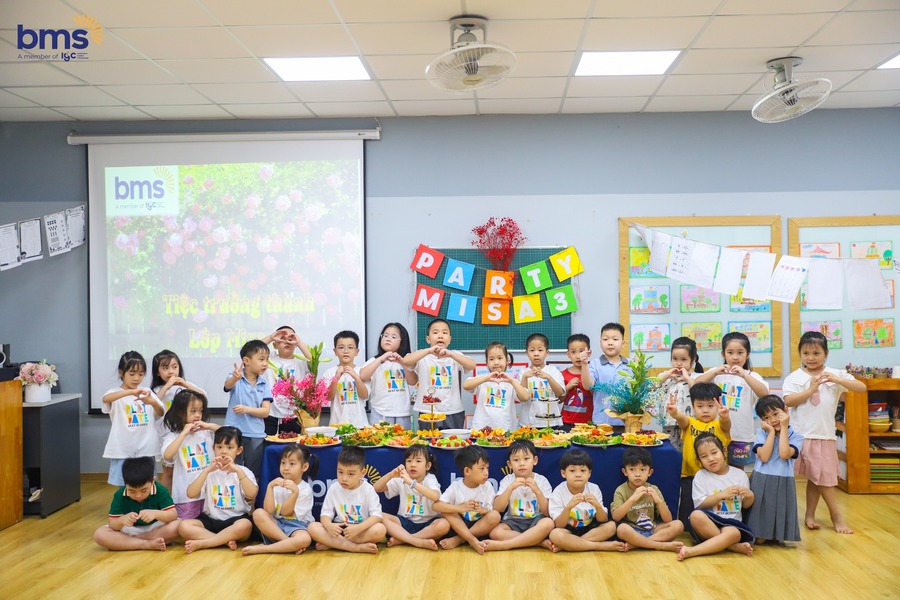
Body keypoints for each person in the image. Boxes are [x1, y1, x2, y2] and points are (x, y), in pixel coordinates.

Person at [783, 331, 865, 534]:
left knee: (819, 478)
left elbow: (861, 388)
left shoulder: (834, 374)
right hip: (801, 435)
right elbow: (789, 401)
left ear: (826, 353)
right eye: (806, 353)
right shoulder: (795, 377)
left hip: (825, 434)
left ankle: (817, 515)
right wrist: (810, 390)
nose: (810, 358)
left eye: (816, 353)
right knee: (820, 477)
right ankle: (831, 515)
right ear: (800, 354)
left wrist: (838, 379)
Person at [695, 332, 769, 470]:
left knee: (737, 470)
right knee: (713, 467)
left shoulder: (751, 375)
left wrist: (745, 375)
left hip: (740, 434)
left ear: (747, 354)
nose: (735, 357)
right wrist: (715, 372)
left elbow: (764, 393)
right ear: (723, 354)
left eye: (740, 353)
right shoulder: (716, 373)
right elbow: (695, 385)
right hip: (716, 432)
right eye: (730, 352)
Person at [178, 426, 258, 553]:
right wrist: (207, 470)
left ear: (239, 450)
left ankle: (204, 543)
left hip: (236, 520)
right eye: (219, 447)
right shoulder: (208, 471)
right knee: (183, 526)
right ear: (213, 448)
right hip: (211, 521)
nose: (224, 452)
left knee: (245, 525)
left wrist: (238, 471)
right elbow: (191, 494)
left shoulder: (243, 471)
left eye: (229, 447)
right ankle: (223, 540)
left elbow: (252, 494)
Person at [678, 433, 755, 561]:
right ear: (699, 460)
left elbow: (745, 505)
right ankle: (732, 546)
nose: (711, 459)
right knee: (695, 515)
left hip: (731, 523)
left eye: (714, 453)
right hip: (709, 523)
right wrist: (721, 495)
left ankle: (692, 551)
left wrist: (750, 496)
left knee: (733, 533)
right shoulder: (701, 476)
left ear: (723, 452)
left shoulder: (739, 475)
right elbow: (700, 504)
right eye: (704, 456)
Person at [666, 382, 731, 529]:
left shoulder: (719, 425)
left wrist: (725, 417)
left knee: (712, 509)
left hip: (715, 477)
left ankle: (713, 529)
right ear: (693, 407)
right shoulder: (690, 423)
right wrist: (675, 412)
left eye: (710, 406)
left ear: (717, 406)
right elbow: (682, 419)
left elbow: (726, 425)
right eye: (700, 406)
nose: (705, 410)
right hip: (691, 475)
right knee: (687, 515)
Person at [746, 395, 803, 544]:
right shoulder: (761, 433)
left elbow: (784, 454)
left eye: (776, 414)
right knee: (759, 536)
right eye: (766, 417)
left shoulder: (796, 436)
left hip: (784, 480)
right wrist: (771, 433)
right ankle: (761, 533)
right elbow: (764, 457)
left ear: (786, 411)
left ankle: (775, 534)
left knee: (779, 509)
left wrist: (784, 427)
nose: (772, 420)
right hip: (761, 478)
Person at [102, 351, 165, 486]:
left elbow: (160, 412)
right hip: (122, 449)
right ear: (121, 373)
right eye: (132, 374)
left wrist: (152, 402)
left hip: (146, 448)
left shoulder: (147, 392)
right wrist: (130, 392)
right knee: (123, 487)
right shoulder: (115, 393)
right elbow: (106, 399)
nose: (136, 378)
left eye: (141, 374)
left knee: (148, 485)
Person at [482, 440, 556, 552]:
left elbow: (547, 512)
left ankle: (506, 545)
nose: (521, 463)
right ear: (509, 464)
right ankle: (538, 542)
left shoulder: (542, 481)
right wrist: (510, 488)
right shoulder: (508, 480)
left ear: (535, 460)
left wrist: (537, 491)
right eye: (516, 460)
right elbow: (497, 508)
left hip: (536, 520)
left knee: (548, 523)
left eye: (526, 459)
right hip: (513, 521)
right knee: (495, 533)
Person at [243, 444, 318, 556]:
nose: (286, 468)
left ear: (304, 467)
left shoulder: (305, 489)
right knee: (258, 513)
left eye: (292, 464)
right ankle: (287, 543)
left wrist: (295, 493)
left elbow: (286, 512)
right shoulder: (277, 485)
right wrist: (270, 487)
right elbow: (268, 511)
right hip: (277, 525)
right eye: (283, 463)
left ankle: (265, 548)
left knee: (304, 539)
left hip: (298, 526)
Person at [308, 446, 385, 553]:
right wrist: (329, 526)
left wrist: (358, 528)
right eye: (340, 472)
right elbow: (325, 515)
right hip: (339, 529)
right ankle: (355, 547)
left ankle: (335, 544)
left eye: (350, 474)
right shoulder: (334, 488)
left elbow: (377, 516)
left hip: (360, 530)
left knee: (380, 530)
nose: (344, 478)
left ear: (362, 473)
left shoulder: (368, 489)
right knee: (312, 527)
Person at [93, 456, 180, 551]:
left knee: (178, 525)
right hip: (129, 530)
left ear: (153, 480)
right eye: (132, 491)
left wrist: (155, 514)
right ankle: (145, 544)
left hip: (156, 528)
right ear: (125, 483)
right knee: (99, 534)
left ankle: (130, 542)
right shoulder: (119, 495)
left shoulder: (161, 490)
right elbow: (112, 524)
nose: (138, 496)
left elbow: (173, 515)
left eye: (144, 490)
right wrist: (122, 520)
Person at [403, 318, 477, 430]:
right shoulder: (423, 356)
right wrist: (429, 350)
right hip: (428, 411)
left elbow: (472, 365)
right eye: (435, 332)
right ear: (428, 339)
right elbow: (406, 361)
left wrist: (451, 354)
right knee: (428, 440)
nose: (440, 336)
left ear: (450, 339)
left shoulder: (454, 356)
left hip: (453, 411)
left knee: (453, 440)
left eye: (445, 333)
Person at [372, 445, 450, 550]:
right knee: (380, 516)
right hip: (405, 523)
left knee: (444, 524)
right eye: (409, 461)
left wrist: (411, 483)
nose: (413, 465)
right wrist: (391, 475)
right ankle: (417, 541)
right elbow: (375, 488)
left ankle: (404, 539)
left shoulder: (429, 479)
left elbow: (435, 496)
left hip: (428, 524)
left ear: (428, 466)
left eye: (418, 461)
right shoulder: (401, 479)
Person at [548, 449, 625, 552]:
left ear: (589, 473)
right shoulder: (558, 491)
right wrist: (568, 507)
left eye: (583, 470)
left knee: (611, 526)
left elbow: (603, 520)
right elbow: (559, 525)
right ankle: (600, 546)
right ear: (563, 473)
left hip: (591, 529)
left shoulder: (594, 488)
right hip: (569, 529)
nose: (578, 474)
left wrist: (597, 506)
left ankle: (572, 544)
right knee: (555, 535)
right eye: (572, 471)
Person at [151, 349, 207, 490]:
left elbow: (203, 397)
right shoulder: (157, 390)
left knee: (188, 468)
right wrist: (167, 386)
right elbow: (153, 406)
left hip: (187, 435)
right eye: (165, 368)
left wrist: (185, 385)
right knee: (168, 472)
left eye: (174, 367)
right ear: (157, 372)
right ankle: (166, 500)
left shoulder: (186, 387)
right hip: (166, 437)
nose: (171, 371)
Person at [161, 389, 220, 520]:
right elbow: (167, 456)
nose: (198, 415)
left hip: (209, 492)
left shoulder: (206, 433)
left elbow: (229, 433)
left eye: (200, 411)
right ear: (180, 413)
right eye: (193, 411)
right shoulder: (174, 436)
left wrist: (209, 426)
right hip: (186, 496)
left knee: (209, 522)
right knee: (185, 525)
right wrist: (183, 433)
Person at [611, 447, 684, 552]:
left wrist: (659, 501)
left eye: (642, 469)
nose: (637, 474)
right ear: (625, 472)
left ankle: (637, 544)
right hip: (632, 531)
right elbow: (616, 517)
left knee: (678, 525)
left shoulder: (653, 489)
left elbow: (668, 519)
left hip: (652, 529)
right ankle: (660, 545)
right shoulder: (621, 490)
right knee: (621, 529)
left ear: (650, 472)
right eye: (632, 469)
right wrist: (632, 499)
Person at [433, 445, 502, 553]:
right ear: (467, 471)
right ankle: (471, 540)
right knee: (446, 510)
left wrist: (484, 510)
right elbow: (436, 506)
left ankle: (460, 539)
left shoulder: (488, 486)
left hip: (479, 527)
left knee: (495, 515)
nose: (486, 472)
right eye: (482, 468)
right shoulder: (456, 486)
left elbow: (491, 510)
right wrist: (459, 508)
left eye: (487, 468)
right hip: (459, 526)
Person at [223, 339, 272, 477]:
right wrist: (235, 378)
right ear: (246, 360)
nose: (265, 363)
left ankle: (252, 493)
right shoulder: (235, 377)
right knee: (231, 471)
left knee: (253, 474)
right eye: (261, 359)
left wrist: (246, 409)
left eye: (267, 359)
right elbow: (227, 385)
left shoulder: (264, 384)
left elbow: (265, 412)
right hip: (234, 432)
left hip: (256, 435)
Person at [359, 322, 417, 428]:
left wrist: (402, 363)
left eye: (393, 337)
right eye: (385, 335)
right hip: (380, 412)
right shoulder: (375, 361)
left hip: (402, 412)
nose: (388, 339)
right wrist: (380, 359)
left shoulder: (406, 361)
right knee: (379, 438)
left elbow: (413, 381)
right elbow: (363, 376)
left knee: (403, 438)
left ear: (402, 342)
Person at [463, 341, 530, 432]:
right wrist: (486, 378)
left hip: (505, 431)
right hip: (481, 430)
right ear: (487, 362)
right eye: (491, 359)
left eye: (500, 358)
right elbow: (466, 385)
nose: (496, 362)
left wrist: (511, 381)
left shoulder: (511, 382)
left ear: (507, 360)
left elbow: (525, 397)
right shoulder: (482, 380)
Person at [262, 326, 312, 436]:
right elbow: (252, 350)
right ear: (274, 344)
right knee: (270, 444)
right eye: (282, 339)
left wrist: (298, 342)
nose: (286, 342)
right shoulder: (269, 358)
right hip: (271, 414)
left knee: (293, 445)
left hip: (294, 415)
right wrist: (271, 337)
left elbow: (314, 361)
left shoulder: (301, 361)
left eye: (290, 339)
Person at [581, 322, 631, 426]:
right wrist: (584, 364)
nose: (610, 343)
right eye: (605, 339)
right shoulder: (595, 364)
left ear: (623, 343)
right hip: (602, 422)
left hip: (627, 422)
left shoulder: (631, 364)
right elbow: (587, 386)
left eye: (615, 339)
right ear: (600, 343)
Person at [659, 337, 703, 451]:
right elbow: (652, 384)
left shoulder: (696, 377)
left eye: (683, 359)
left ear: (693, 359)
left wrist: (687, 378)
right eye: (675, 359)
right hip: (669, 422)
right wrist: (667, 375)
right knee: (670, 452)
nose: (678, 363)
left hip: (689, 422)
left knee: (689, 450)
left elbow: (698, 392)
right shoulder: (667, 376)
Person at [322, 330, 369, 428]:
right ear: (335, 351)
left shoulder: (362, 371)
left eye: (350, 347)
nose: (346, 351)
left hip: (359, 425)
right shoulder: (330, 372)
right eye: (341, 347)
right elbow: (328, 397)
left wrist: (356, 377)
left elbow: (364, 396)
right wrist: (336, 378)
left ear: (357, 352)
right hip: (337, 425)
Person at [520, 333, 565, 428]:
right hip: (528, 423)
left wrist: (549, 378)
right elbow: (522, 398)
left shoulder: (553, 371)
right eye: (532, 350)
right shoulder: (523, 373)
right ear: (527, 353)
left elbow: (560, 393)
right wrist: (524, 377)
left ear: (547, 352)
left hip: (551, 422)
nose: (536, 354)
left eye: (540, 350)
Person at [560, 334, 593, 432]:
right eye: (573, 352)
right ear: (568, 354)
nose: (578, 356)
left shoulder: (593, 373)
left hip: (588, 422)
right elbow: (559, 399)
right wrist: (567, 387)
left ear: (589, 352)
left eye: (582, 351)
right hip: (567, 421)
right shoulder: (563, 374)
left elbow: (597, 396)